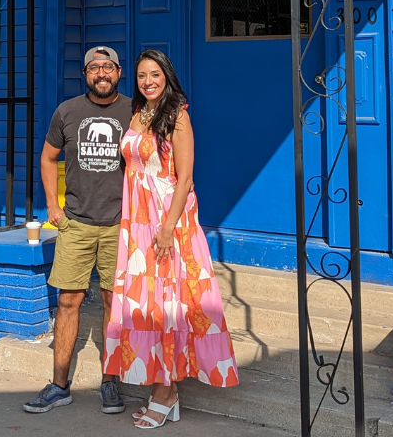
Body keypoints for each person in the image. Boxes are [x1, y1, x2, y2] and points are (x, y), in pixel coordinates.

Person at [103, 48, 238, 429]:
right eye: (142, 75)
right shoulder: (138, 112)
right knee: (147, 307)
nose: (148, 81)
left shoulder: (178, 117)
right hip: (137, 223)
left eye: (155, 75)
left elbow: (185, 179)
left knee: (167, 306)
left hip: (167, 222)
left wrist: (166, 229)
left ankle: (166, 392)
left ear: (167, 76)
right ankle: (163, 390)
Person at [24, 46, 132, 416]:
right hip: (76, 224)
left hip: (121, 225)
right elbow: (47, 157)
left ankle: (110, 382)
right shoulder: (67, 111)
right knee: (68, 301)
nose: (101, 73)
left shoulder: (136, 111)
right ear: (85, 74)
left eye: (108, 67)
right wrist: (53, 207)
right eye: (94, 68)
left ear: (119, 72)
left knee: (111, 303)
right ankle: (59, 385)